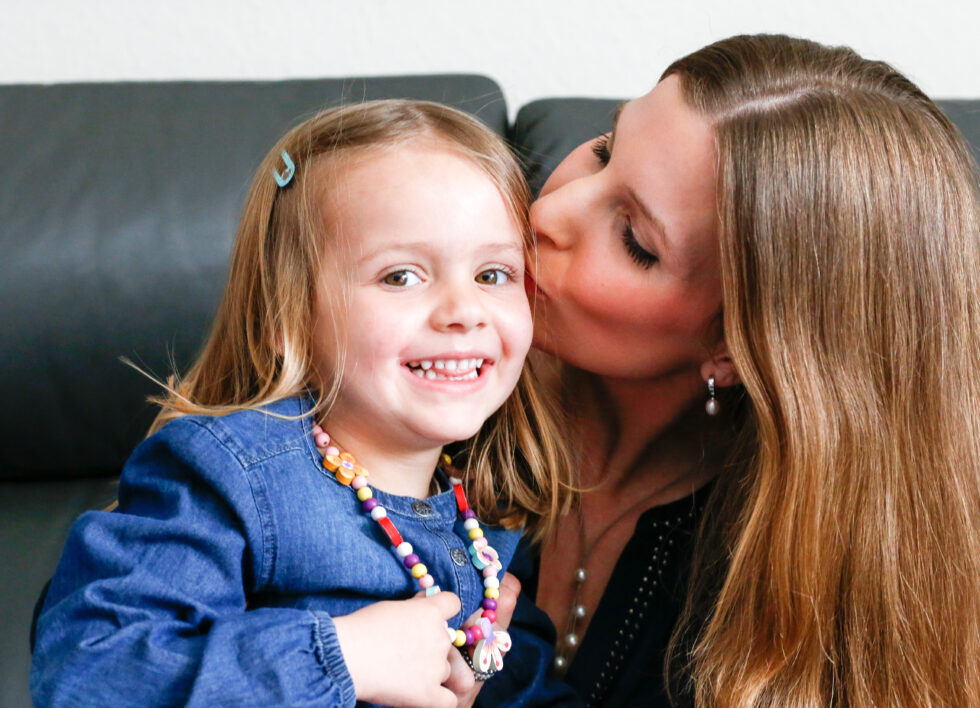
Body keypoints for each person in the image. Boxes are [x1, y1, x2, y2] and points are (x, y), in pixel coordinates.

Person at [481, 34, 980, 707]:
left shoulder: (799, 589)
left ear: (738, 346)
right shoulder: (426, 391)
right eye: (603, 148)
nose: (543, 212)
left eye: (634, 239)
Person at [30, 99, 575, 708]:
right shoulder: (230, 477)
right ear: (283, 319)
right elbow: (91, 673)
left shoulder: (485, 510)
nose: (463, 311)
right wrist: (342, 655)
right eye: (401, 276)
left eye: (493, 275)